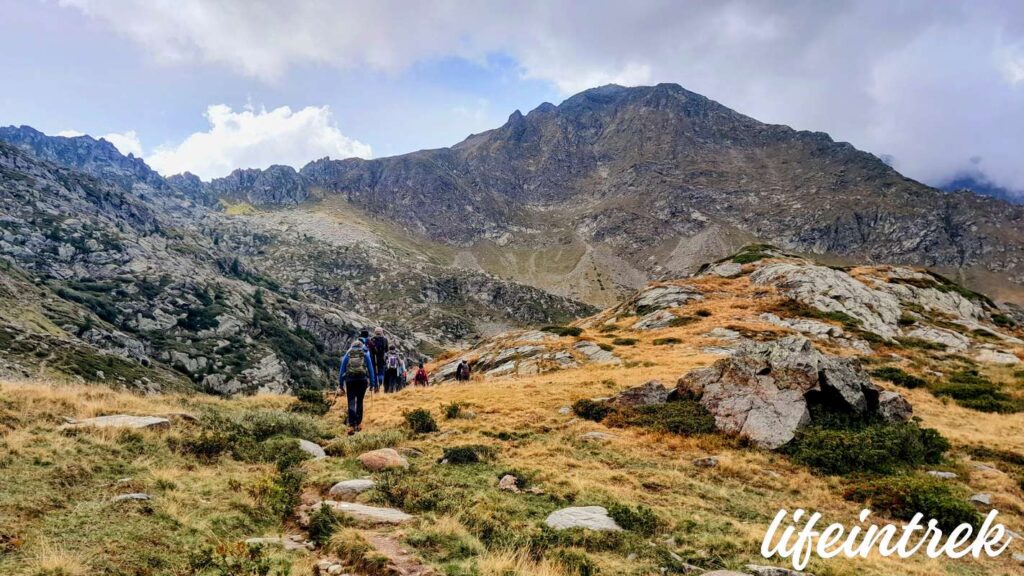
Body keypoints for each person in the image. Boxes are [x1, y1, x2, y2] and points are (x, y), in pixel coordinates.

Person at [339, 337, 376, 435]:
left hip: (350, 380)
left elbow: (342, 370)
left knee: (351, 401)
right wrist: (372, 383)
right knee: (360, 401)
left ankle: (351, 425)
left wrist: (340, 384)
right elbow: (371, 369)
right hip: (362, 380)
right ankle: (358, 424)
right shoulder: (365, 354)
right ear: (361, 346)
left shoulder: (348, 354)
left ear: (352, 346)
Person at [369, 327, 389, 392]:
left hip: (373, 358)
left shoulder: (372, 339)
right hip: (381, 358)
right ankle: (380, 383)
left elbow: (370, 350)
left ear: (375, 332)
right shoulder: (385, 340)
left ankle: (375, 387)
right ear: (382, 332)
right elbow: (386, 350)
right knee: (381, 371)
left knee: (374, 372)